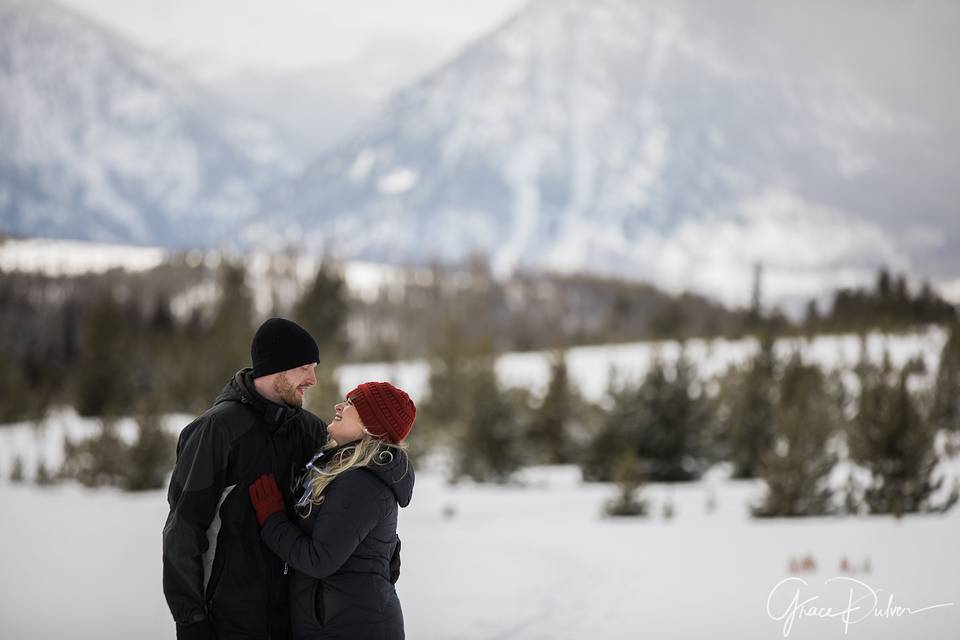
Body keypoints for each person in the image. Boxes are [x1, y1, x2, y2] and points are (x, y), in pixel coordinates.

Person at [162, 317, 328, 640]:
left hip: (296, 622)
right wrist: (190, 620)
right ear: (277, 367)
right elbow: (183, 530)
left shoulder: (312, 432)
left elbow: (347, 502)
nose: (313, 380)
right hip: (229, 623)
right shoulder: (217, 431)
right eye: (305, 368)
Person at [248, 381, 416, 640]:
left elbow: (319, 559)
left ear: (371, 424)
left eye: (351, 403)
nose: (339, 406)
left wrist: (272, 518)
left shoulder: (361, 483)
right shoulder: (346, 471)